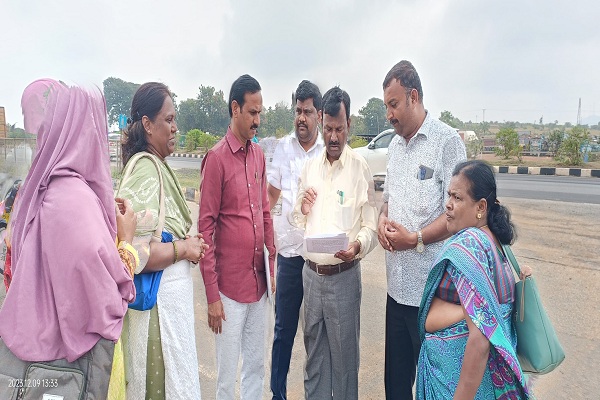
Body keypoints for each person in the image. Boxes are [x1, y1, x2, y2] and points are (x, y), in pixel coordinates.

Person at [0, 79, 137, 399]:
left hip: (37, 365)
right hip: (63, 376)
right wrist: (126, 242)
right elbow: (102, 303)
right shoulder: (72, 199)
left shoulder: (44, 187)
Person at [378, 60, 467, 399]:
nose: (389, 113)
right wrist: (381, 222)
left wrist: (413, 238)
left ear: (413, 97)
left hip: (433, 295)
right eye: (387, 105)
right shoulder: (395, 148)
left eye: (394, 104)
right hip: (396, 289)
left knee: (435, 386)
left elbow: (458, 215)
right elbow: (387, 199)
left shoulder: (446, 143)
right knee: (396, 385)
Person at [119, 82, 206, 399]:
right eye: (168, 120)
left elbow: (159, 232)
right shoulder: (145, 169)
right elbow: (136, 254)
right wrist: (184, 248)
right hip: (158, 313)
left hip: (169, 310)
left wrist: (187, 246)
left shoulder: (156, 167)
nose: (175, 127)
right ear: (147, 124)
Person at [416, 160, 531, 399]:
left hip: (457, 384)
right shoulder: (494, 240)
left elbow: (480, 338)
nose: (448, 205)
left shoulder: (471, 244)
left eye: (457, 198)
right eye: (449, 195)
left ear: (480, 207)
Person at [292, 86, 378, 400]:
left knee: (344, 363)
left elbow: (370, 226)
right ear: (320, 123)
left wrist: (357, 246)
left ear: (349, 125)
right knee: (314, 358)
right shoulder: (310, 168)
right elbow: (297, 221)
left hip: (344, 277)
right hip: (312, 277)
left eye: (339, 129)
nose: (333, 137)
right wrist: (301, 209)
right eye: (327, 129)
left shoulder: (360, 170)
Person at [198, 74, 276, 400]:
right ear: (235, 109)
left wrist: (272, 264)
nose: (258, 120)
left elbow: (265, 213)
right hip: (228, 292)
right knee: (227, 379)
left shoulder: (257, 155)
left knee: (256, 368)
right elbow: (204, 231)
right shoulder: (216, 159)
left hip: (259, 287)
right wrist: (212, 297)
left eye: (260, 113)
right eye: (252, 113)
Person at [267, 80, 324, 400]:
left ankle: (314, 393)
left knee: (315, 334)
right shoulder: (284, 148)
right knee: (283, 331)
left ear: (318, 114)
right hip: (288, 256)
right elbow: (270, 195)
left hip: (318, 258)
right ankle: (278, 394)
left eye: (307, 112)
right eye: (297, 111)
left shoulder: (328, 151)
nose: (301, 117)